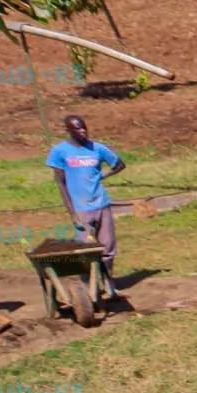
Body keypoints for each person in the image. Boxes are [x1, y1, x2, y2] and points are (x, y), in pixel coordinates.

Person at [47, 115, 125, 276]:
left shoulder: (97, 148)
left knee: (108, 247)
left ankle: (109, 283)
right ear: (69, 130)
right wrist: (72, 214)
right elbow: (61, 184)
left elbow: (119, 164)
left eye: (84, 127)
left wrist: (102, 175)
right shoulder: (60, 152)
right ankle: (90, 285)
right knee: (85, 250)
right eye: (78, 128)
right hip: (81, 208)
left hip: (102, 205)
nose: (83, 131)